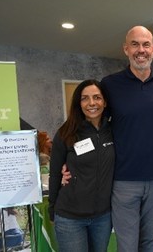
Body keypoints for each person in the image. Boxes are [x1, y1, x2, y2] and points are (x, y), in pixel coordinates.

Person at [101, 26, 153, 252]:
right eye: (135, 44)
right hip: (123, 180)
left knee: (149, 241)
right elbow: (97, 128)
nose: (141, 50)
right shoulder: (110, 85)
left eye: (145, 45)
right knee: (128, 245)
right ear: (125, 49)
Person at [48, 79, 115, 252]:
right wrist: (52, 208)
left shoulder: (114, 131)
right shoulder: (66, 133)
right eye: (85, 98)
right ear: (79, 103)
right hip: (70, 218)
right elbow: (55, 173)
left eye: (97, 97)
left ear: (105, 101)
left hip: (103, 217)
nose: (92, 103)